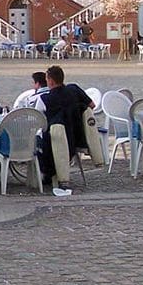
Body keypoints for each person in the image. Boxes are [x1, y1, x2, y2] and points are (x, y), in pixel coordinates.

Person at [38, 65, 93, 193]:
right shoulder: (74, 90)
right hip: (76, 138)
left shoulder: (45, 99)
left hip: (55, 141)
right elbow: (91, 106)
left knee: (38, 140)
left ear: (50, 81)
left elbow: (37, 120)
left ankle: (46, 174)